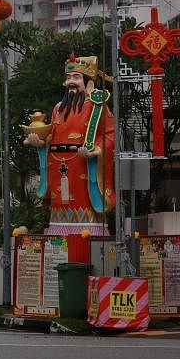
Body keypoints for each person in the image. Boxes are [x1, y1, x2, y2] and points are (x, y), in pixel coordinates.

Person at [23, 54, 115, 235]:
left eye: (76, 77)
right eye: (68, 78)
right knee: (59, 214)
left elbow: (110, 135)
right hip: (58, 167)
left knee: (84, 216)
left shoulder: (98, 106)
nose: (71, 82)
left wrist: (96, 150)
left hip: (83, 166)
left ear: (88, 82)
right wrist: (40, 143)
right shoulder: (58, 108)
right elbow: (52, 137)